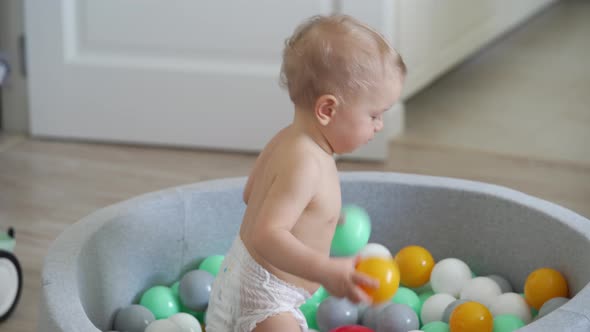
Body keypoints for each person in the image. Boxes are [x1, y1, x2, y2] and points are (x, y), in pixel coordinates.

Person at [206, 14, 406, 332]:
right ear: (328, 110)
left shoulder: (286, 139)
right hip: (267, 302)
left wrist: (317, 218)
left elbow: (251, 194)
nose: (379, 126)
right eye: (374, 115)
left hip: (239, 279)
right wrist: (325, 270)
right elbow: (266, 234)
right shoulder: (307, 163)